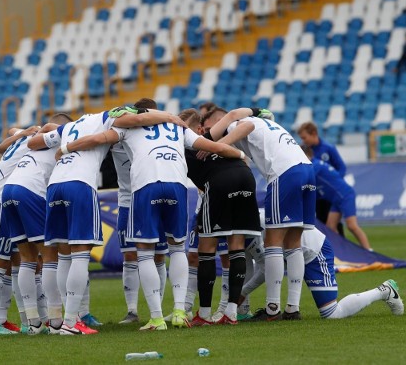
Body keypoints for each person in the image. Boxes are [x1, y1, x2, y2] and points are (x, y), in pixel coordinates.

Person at [61, 107, 246, 331]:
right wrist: (240, 154)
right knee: (177, 249)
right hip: (177, 186)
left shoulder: (127, 126)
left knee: (145, 253)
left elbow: (99, 138)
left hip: (145, 186)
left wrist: (67, 147)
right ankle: (179, 311)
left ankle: (156, 318)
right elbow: (214, 147)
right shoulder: (178, 127)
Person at [28, 106, 184, 335]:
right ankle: (72, 323)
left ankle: (56, 321)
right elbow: (140, 118)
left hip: (55, 186)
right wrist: (171, 117)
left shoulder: (69, 126)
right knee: (81, 255)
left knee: (62, 256)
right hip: (80, 185)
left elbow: (34, 143)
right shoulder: (108, 117)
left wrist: (43, 135)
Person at [202, 107, 315, 321]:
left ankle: (272, 308)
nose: (208, 134)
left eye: (210, 129)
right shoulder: (268, 125)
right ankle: (293, 307)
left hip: (284, 173)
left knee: (273, 242)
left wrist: (215, 146)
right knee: (293, 242)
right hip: (306, 170)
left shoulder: (238, 124)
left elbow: (247, 125)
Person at [180, 108, 262, 325]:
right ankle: (231, 312)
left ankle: (204, 315)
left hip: (219, 183)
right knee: (236, 247)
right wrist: (238, 152)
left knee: (206, 250)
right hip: (246, 178)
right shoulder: (206, 139)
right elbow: (237, 118)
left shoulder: (179, 145)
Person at [238, 218, 404, 320]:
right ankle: (244, 312)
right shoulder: (243, 225)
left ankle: (384, 291)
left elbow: (266, 269)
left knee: (331, 313)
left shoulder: (251, 226)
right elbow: (249, 266)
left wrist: (243, 292)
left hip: (314, 252)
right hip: (291, 254)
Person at [1, 114, 73, 335]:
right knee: (49, 255)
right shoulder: (62, 137)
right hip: (30, 191)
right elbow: (54, 127)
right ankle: (56, 320)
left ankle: (32, 322)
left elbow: (10, 131)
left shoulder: (34, 140)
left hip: (9, 190)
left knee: (27, 258)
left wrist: (27, 131)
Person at [113, 98, 172, 325]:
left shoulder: (164, 136)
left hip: (154, 198)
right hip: (128, 201)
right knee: (130, 255)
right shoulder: (120, 134)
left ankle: (155, 308)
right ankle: (132, 311)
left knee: (159, 255)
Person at [0, 125, 40, 335]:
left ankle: (22, 321)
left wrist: (21, 133)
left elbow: (3, 143)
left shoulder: (25, 137)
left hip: (8, 201)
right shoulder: (38, 141)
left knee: (16, 261)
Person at [302, 145, 373, 251]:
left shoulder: (314, 166)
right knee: (330, 228)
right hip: (337, 198)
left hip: (344, 195)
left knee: (352, 226)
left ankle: (369, 251)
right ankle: (341, 251)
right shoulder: (316, 164)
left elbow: (304, 179)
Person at [298, 121, 347, 236]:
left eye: (304, 138)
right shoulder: (305, 150)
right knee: (321, 225)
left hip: (330, 195)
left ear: (314, 133)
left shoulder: (328, 148)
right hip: (316, 196)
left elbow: (341, 168)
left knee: (335, 225)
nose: (303, 141)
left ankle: (343, 251)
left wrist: (334, 184)